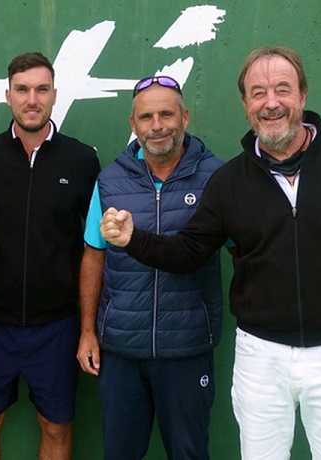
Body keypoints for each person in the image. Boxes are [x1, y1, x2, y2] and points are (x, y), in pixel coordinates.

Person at [101, 46, 321, 460]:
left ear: (303, 95)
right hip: (260, 356)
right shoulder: (230, 180)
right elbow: (189, 252)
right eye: (258, 92)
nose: (271, 103)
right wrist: (132, 240)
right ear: (246, 104)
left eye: (282, 90)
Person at [0, 52, 100, 460]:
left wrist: (87, 325)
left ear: (54, 95)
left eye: (41, 89)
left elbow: (94, 245)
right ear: (8, 96)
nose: (32, 99)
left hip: (56, 326)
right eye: (22, 90)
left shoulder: (81, 159)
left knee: (56, 427)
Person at [77, 76, 224, 460]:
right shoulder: (109, 180)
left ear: (185, 117)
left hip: (187, 348)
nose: (157, 125)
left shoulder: (217, 178)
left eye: (166, 114)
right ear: (133, 124)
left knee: (190, 454)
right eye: (146, 117)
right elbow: (94, 254)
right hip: (122, 351)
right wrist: (88, 331)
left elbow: (246, 251)